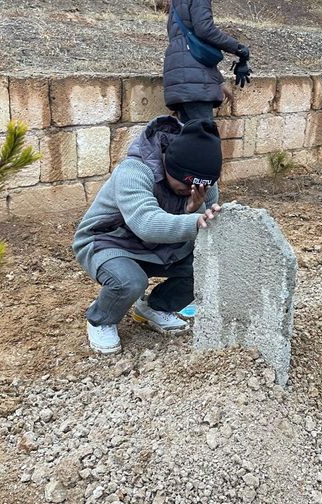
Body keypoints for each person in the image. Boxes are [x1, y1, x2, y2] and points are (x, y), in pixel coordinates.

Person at [72, 117, 223, 354]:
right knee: (129, 281)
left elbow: (206, 227)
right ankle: (101, 319)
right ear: (169, 165)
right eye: (185, 186)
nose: (190, 192)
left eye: (200, 188)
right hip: (110, 241)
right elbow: (146, 222)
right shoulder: (135, 171)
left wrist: (195, 209)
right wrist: (193, 219)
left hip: (159, 247)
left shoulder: (202, 184)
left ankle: (155, 307)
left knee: (206, 265)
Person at [163, 0, 252, 123]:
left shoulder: (176, 3)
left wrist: (219, 81)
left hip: (180, 79)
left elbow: (191, 46)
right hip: (195, 87)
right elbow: (204, 29)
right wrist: (239, 48)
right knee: (205, 138)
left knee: (189, 138)